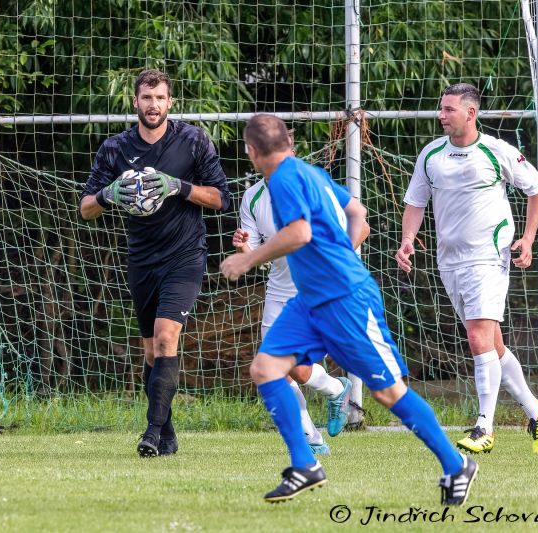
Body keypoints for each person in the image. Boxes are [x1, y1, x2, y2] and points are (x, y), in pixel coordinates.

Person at [220, 114, 476, 505]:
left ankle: (455, 464)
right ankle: (305, 463)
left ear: (251, 152)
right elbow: (357, 212)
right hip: (311, 301)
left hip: (345, 300)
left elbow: (300, 232)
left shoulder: (284, 179)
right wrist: (343, 250)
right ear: (288, 142)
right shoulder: (310, 172)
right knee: (266, 368)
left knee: (388, 393)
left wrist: (247, 259)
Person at [395, 83, 538, 455]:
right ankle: (537, 410)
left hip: (489, 255)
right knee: (492, 345)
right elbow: (415, 202)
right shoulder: (431, 154)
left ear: (471, 113)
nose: (441, 115)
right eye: (441, 108)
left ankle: (485, 426)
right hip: (449, 260)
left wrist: (528, 238)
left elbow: (537, 188)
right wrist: (407, 239)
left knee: (478, 338)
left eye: (449, 109)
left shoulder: (496, 150)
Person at [80, 69, 230, 458]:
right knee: (150, 352)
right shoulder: (114, 149)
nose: (153, 105)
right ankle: (167, 433)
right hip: (142, 259)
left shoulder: (193, 140)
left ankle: (150, 432)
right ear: (135, 102)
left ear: (170, 102)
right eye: (147, 98)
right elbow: (85, 208)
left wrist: (177, 186)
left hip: (185, 256)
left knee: (166, 338)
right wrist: (109, 194)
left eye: (160, 98)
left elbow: (220, 198)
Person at [233, 165, 361, 454]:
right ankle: (312, 437)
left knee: (297, 369)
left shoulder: (313, 185)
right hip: (278, 293)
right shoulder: (253, 197)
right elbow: (257, 257)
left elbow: (360, 226)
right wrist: (244, 249)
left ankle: (335, 390)